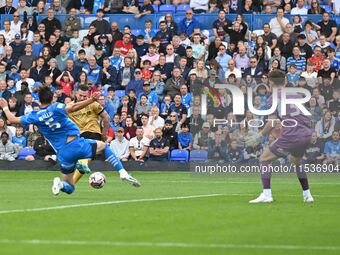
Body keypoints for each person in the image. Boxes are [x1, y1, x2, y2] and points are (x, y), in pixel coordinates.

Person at [0, 87, 140, 195]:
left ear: (39, 100)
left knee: (70, 186)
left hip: (63, 154)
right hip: (76, 144)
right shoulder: (56, 108)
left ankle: (60, 184)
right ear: (52, 99)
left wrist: (5, 106)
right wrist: (91, 100)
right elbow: (72, 107)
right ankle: (122, 172)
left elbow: (12, 120)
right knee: (104, 146)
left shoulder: (34, 116)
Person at [245, 70, 314, 203]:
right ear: (285, 81)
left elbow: (271, 122)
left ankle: (267, 194)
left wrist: (258, 136)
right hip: (306, 134)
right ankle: (307, 195)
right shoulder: (296, 94)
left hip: (292, 135)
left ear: (270, 82)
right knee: (296, 161)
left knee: (264, 158)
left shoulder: (274, 97)